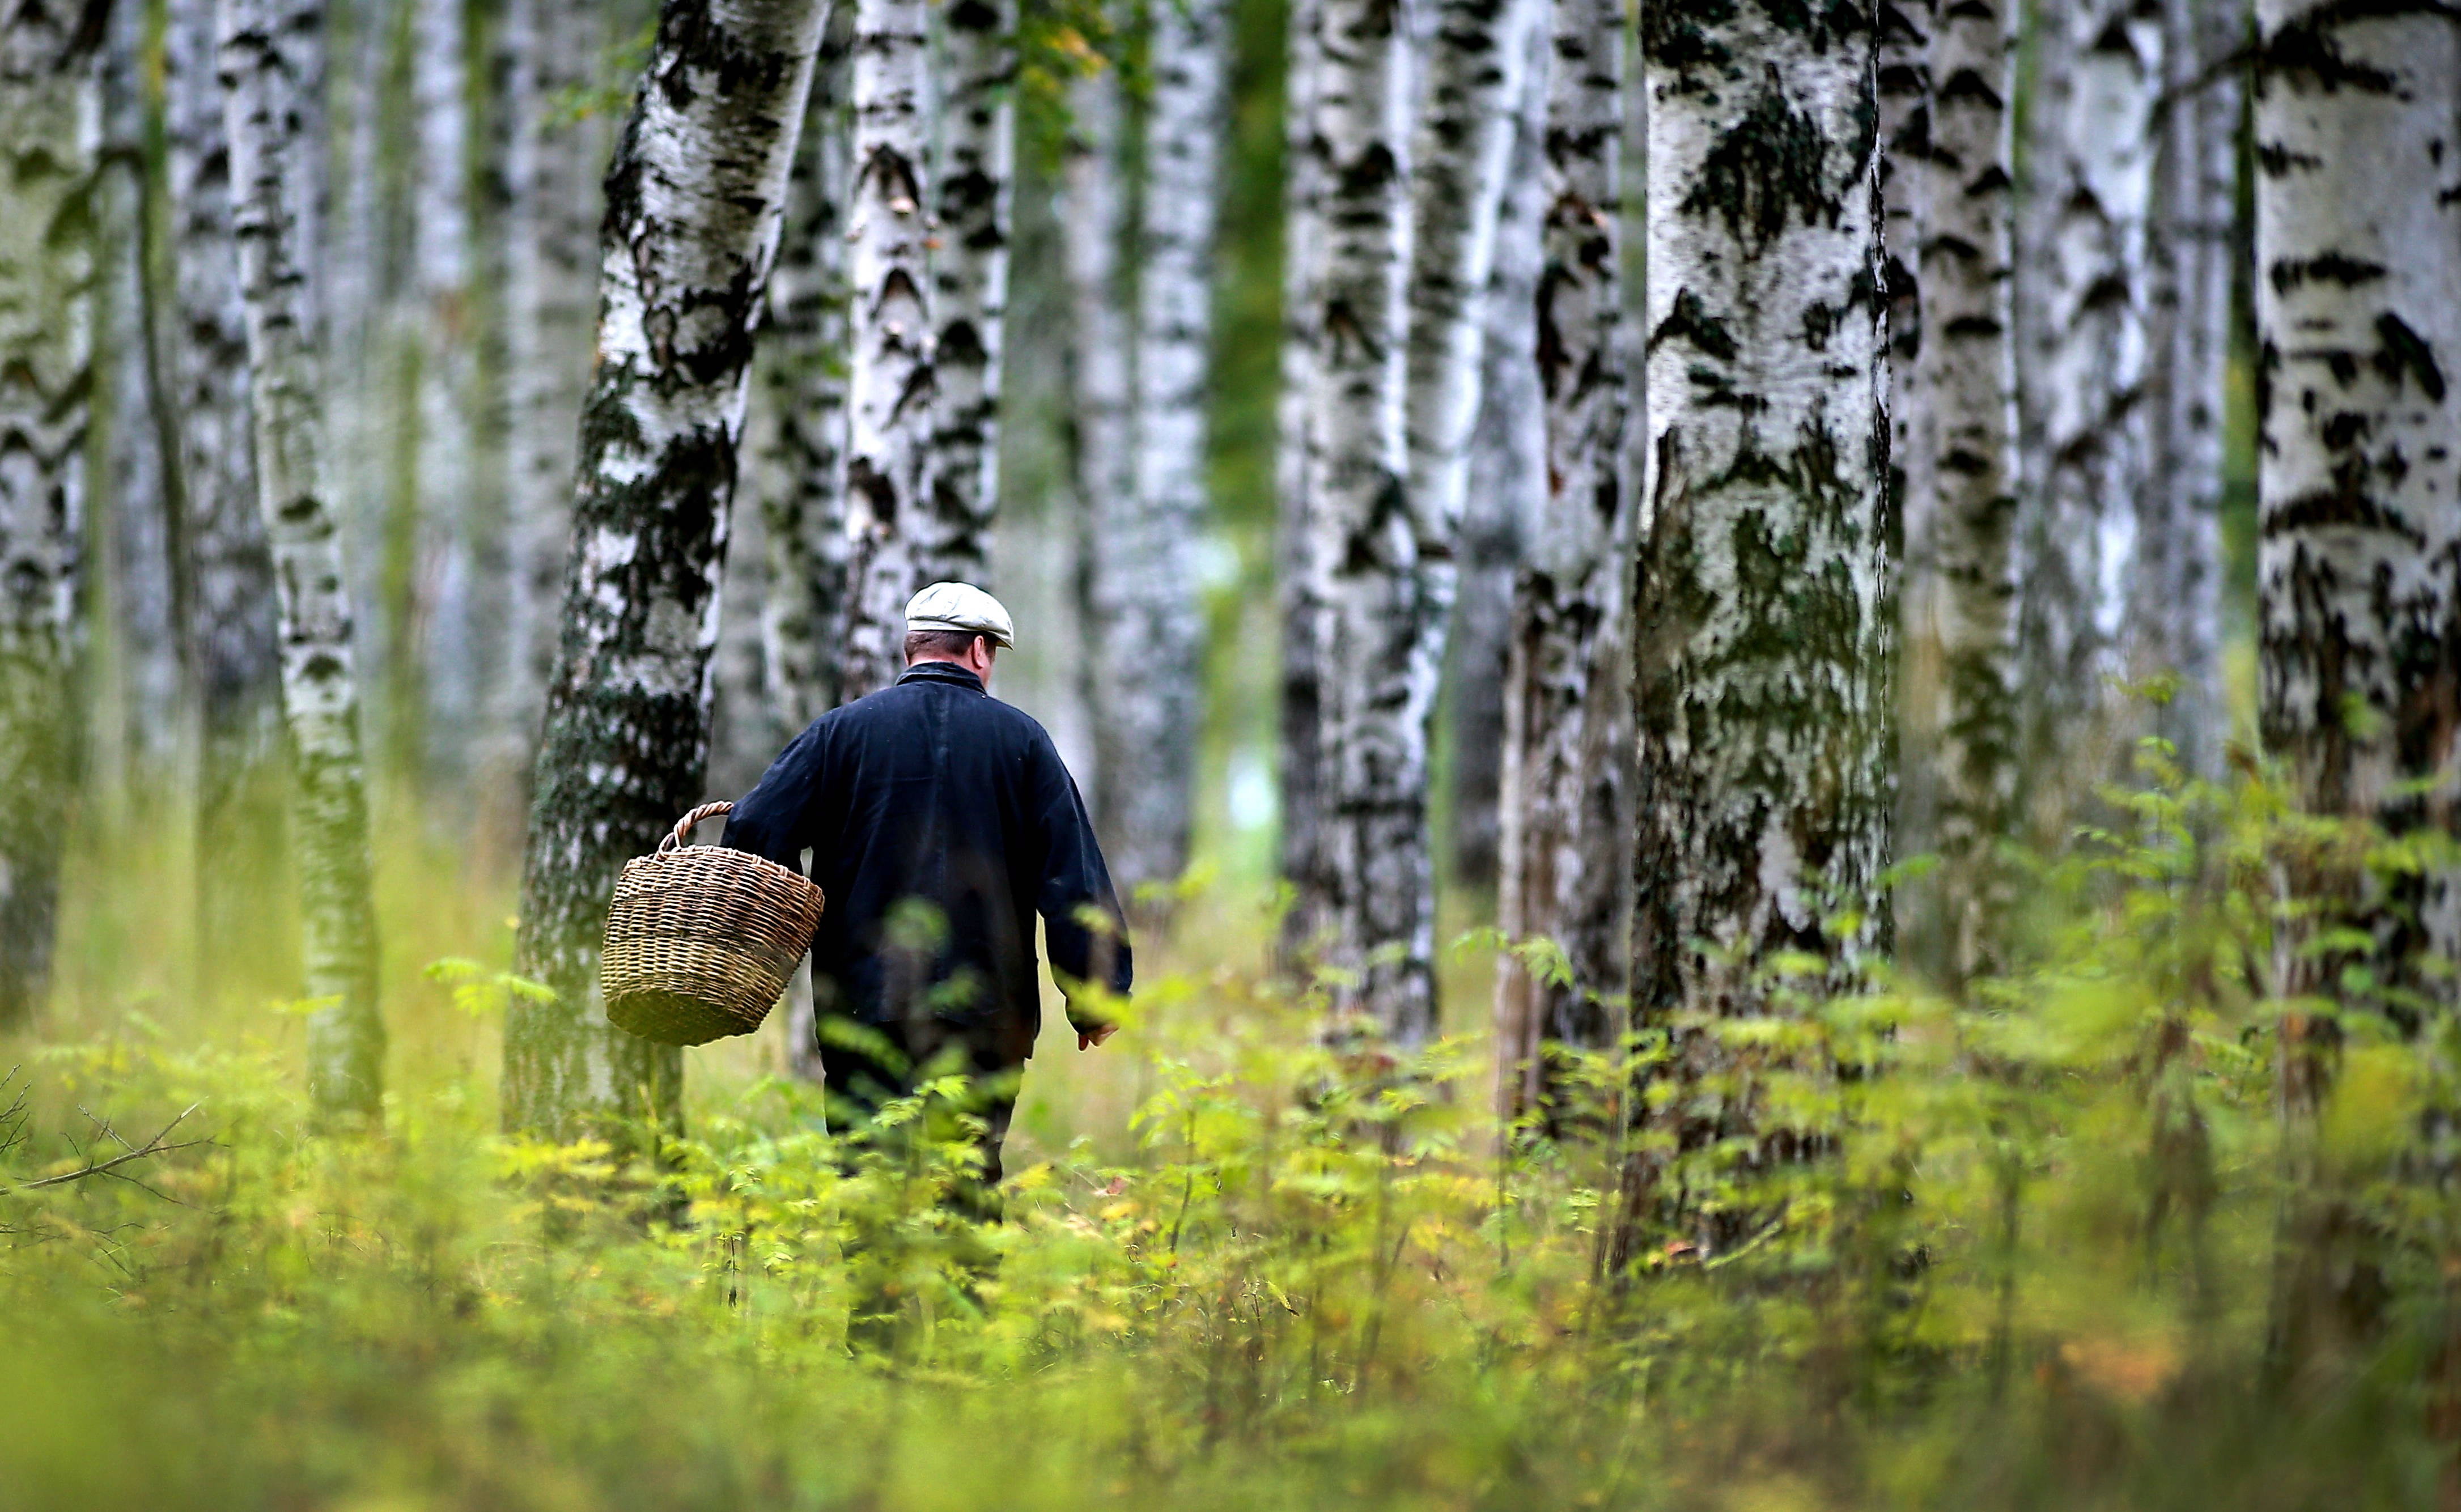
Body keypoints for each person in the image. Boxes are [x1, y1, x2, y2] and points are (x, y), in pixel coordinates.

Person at [723, 583, 1131, 1207]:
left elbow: (753, 827)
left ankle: (875, 1306)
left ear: (912, 649)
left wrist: (783, 928)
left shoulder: (839, 733)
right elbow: (1071, 877)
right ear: (977, 651)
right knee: (966, 1186)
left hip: (863, 1005)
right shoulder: (1023, 742)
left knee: (869, 1188)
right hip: (986, 1014)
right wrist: (1095, 994)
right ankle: (964, 1298)